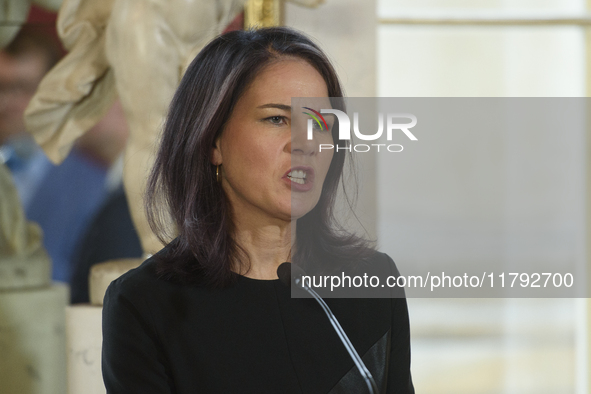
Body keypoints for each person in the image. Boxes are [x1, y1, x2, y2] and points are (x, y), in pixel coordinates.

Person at [102, 27, 414, 393]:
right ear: (212, 140)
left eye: (320, 124)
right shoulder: (145, 304)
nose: (305, 145)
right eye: (277, 119)